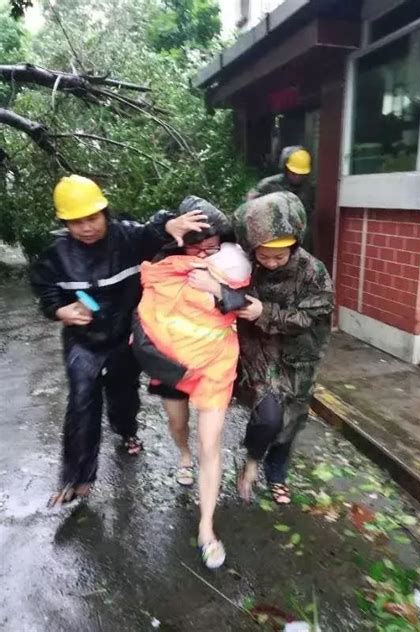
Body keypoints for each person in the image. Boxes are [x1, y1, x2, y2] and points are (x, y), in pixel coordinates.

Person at [30, 175, 208, 506]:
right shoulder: (56, 253)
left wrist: (171, 223)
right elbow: (44, 288)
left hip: (124, 337)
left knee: (123, 394)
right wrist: (61, 310)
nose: (86, 227)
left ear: (105, 213)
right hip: (83, 340)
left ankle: (126, 432)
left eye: (92, 218)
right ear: (64, 223)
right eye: (75, 222)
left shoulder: (127, 236)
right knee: (82, 401)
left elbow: (153, 229)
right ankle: (77, 477)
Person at [133, 196, 249, 569]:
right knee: (177, 424)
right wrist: (166, 226)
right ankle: (182, 455)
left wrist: (215, 289)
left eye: (212, 247)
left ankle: (206, 529)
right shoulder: (161, 254)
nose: (206, 254)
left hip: (214, 362)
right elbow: (131, 239)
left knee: (210, 444)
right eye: (198, 246)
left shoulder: (231, 262)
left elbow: (248, 300)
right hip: (169, 363)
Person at [233, 191, 334, 505]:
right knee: (269, 416)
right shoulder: (245, 263)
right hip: (258, 353)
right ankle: (251, 462)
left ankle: (276, 474)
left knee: (290, 420)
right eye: (265, 256)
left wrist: (264, 312)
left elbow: (311, 317)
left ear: (295, 244)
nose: (272, 262)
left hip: (296, 356)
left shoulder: (312, 272)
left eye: (280, 256)